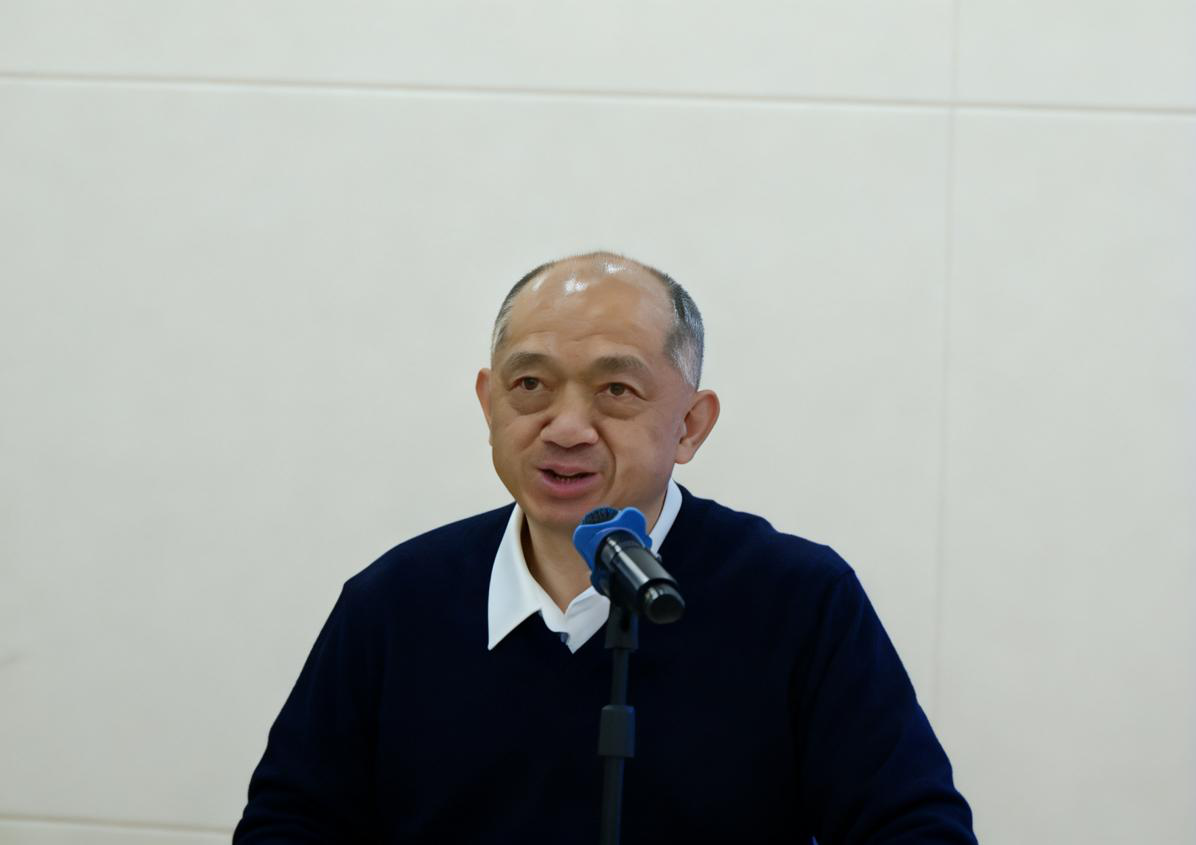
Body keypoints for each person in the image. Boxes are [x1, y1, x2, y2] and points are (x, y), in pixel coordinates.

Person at [235, 252, 976, 843]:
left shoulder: (797, 597)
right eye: (531, 384)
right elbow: (290, 825)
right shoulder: (394, 603)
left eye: (615, 391)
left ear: (690, 425)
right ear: (489, 404)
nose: (566, 427)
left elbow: (915, 829)